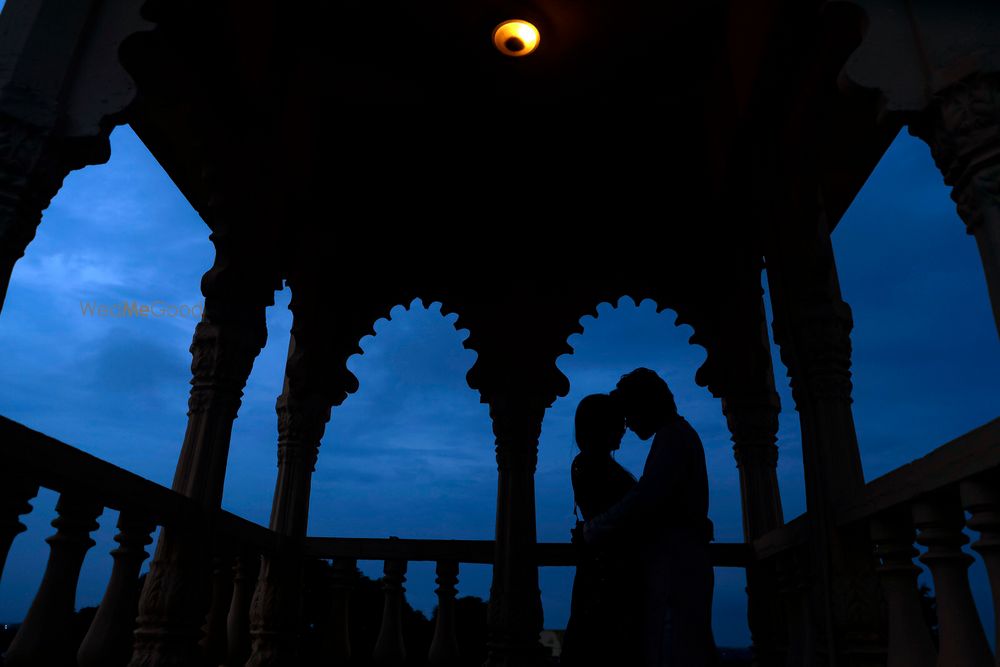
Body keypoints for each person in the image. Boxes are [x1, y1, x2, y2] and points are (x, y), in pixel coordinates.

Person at [581, 368, 717, 666]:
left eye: (630, 414)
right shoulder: (679, 435)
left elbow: (644, 499)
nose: (627, 425)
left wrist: (594, 529)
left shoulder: (672, 438)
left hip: (675, 567)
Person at [561, 393, 643, 666]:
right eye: (617, 424)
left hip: (601, 572)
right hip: (606, 575)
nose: (624, 429)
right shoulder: (587, 466)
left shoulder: (588, 465)